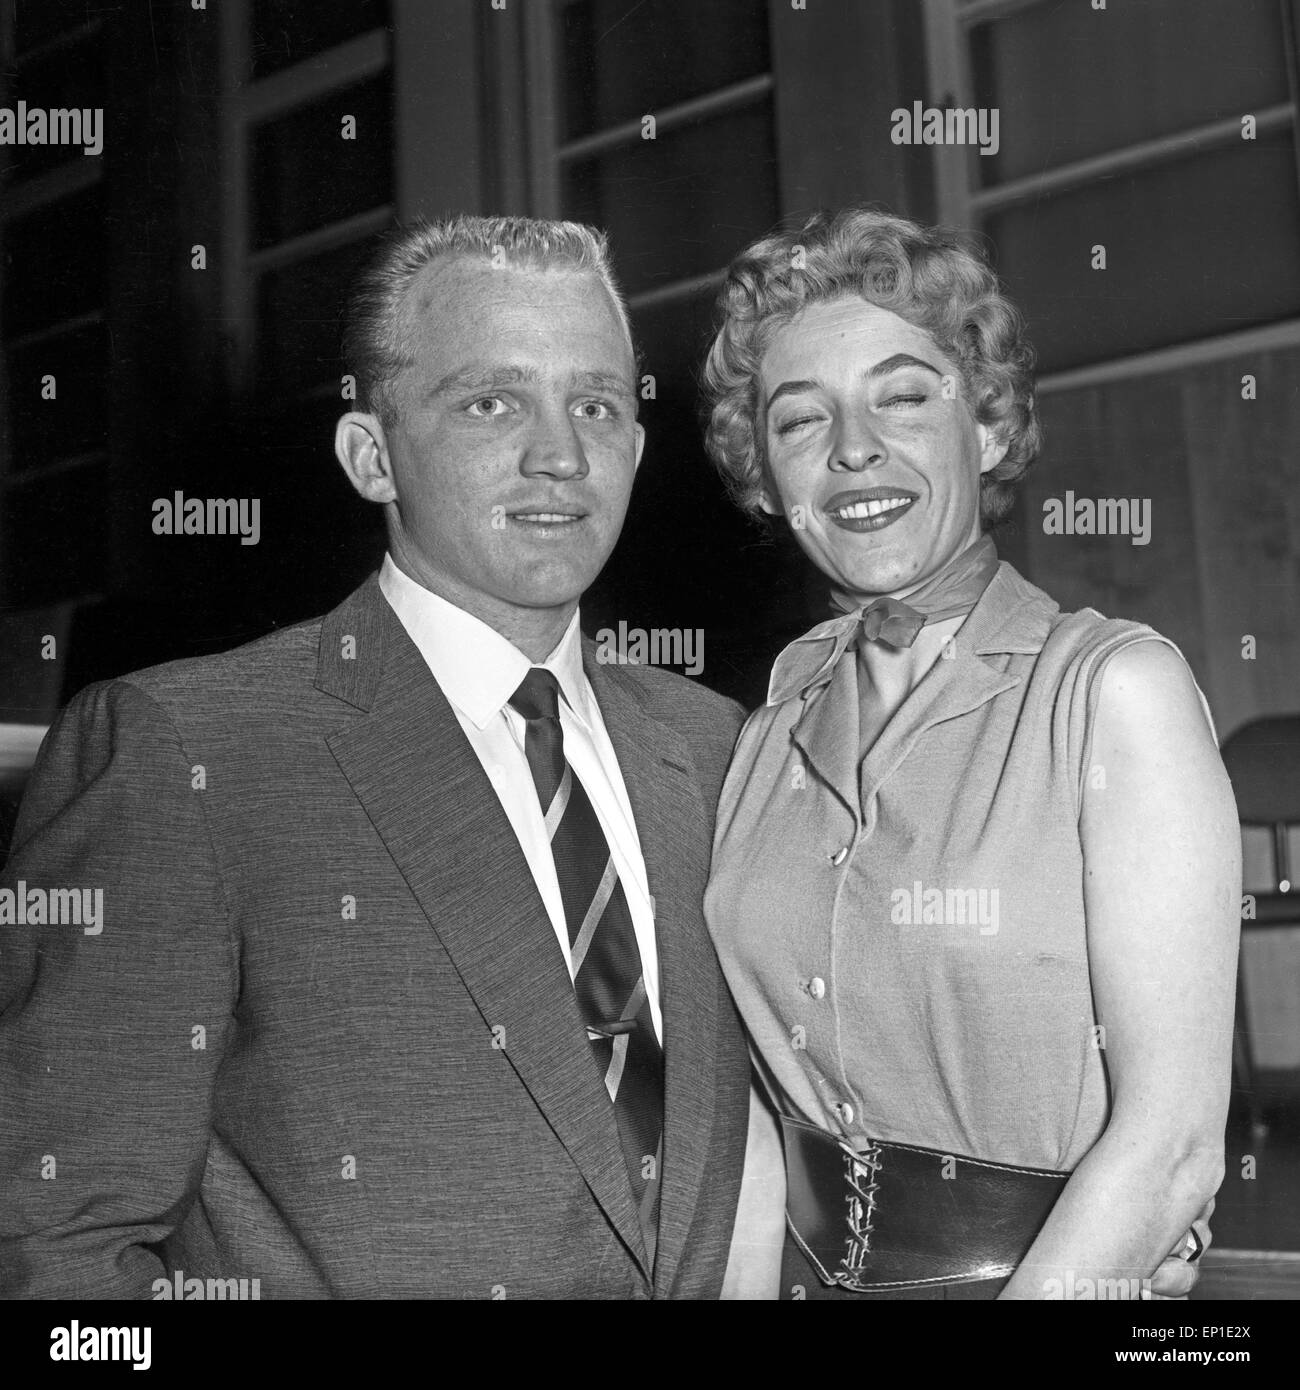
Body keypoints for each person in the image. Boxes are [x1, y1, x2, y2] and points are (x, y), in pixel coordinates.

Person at [0, 215, 753, 1299]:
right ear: (371, 455)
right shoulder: (189, 752)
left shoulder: (715, 746)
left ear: (635, 446)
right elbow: (53, 1240)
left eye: (596, 404)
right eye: (491, 402)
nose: (561, 453)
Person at [703, 207, 1239, 1300]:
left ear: (987, 429)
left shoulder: (1113, 695)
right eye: (801, 421)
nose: (854, 447)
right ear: (764, 476)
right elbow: (763, 1128)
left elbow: (1174, 1144)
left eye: (903, 396)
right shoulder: (761, 732)